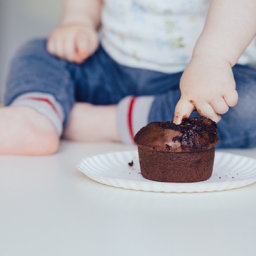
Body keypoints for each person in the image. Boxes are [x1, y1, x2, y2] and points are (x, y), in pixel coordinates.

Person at [2, 0, 256, 155]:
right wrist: (78, 21)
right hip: (109, 69)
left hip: (194, 88)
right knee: (39, 51)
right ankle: (35, 114)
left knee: (248, 104)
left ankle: (102, 122)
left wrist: (213, 58)